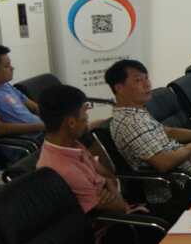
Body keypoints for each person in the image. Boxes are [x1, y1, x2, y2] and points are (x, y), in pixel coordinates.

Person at [106, 59, 191, 179]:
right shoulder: (131, 122)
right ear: (119, 88)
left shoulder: (137, 112)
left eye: (146, 78)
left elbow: (168, 132)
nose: (147, 84)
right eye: (138, 80)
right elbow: (163, 163)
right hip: (185, 180)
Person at [36, 84, 129, 214]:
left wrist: (108, 183)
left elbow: (108, 175)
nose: (87, 117)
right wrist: (111, 187)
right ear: (71, 122)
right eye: (84, 111)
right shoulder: (64, 170)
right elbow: (121, 208)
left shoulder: (72, 144)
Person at [0, 44, 44, 139]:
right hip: (27, 141)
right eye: (7, 66)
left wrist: (53, 119)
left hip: (41, 132)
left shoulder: (5, 84)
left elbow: (34, 107)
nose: (12, 68)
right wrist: (41, 126)